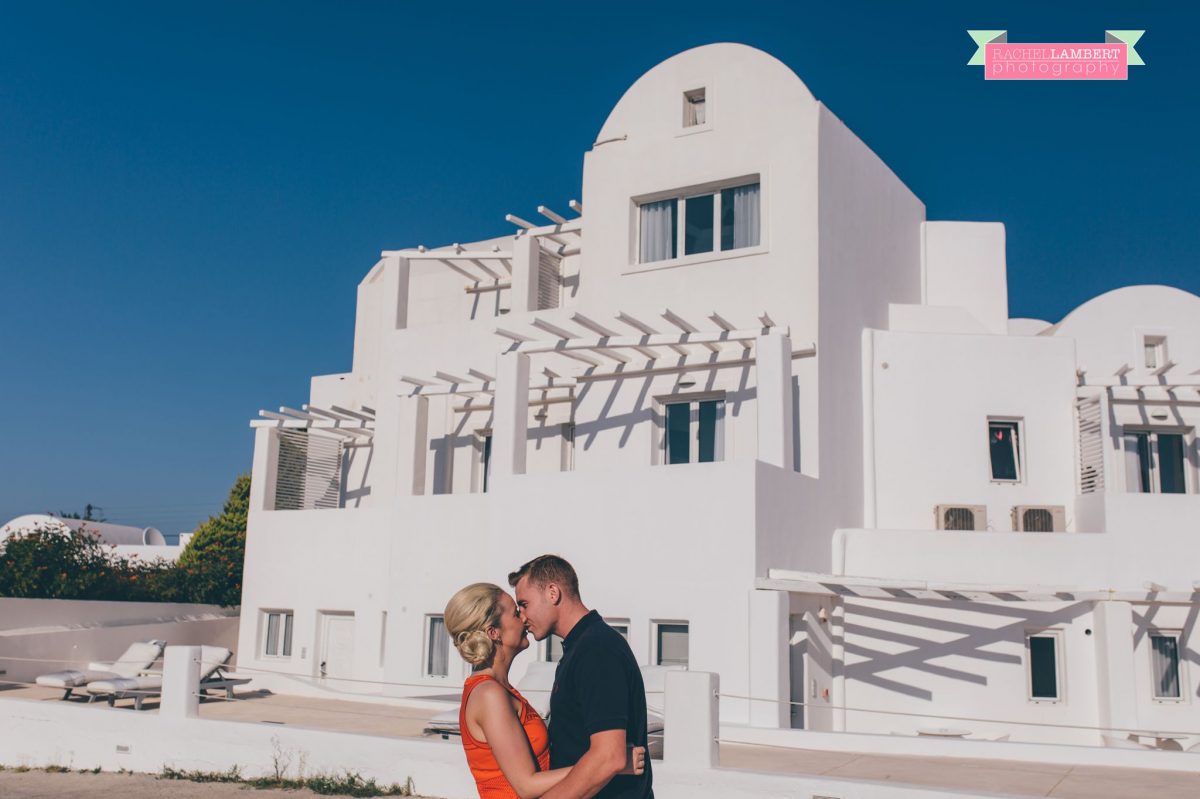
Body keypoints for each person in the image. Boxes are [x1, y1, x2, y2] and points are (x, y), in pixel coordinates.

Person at [443, 583, 645, 799]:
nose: (523, 617)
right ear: (493, 633)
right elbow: (526, 785)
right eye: (515, 612)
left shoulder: (500, 689)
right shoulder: (488, 695)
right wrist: (605, 764)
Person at [509, 555, 653, 799]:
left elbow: (608, 756)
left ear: (552, 593)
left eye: (524, 604)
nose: (522, 616)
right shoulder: (580, 648)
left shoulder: (597, 649)